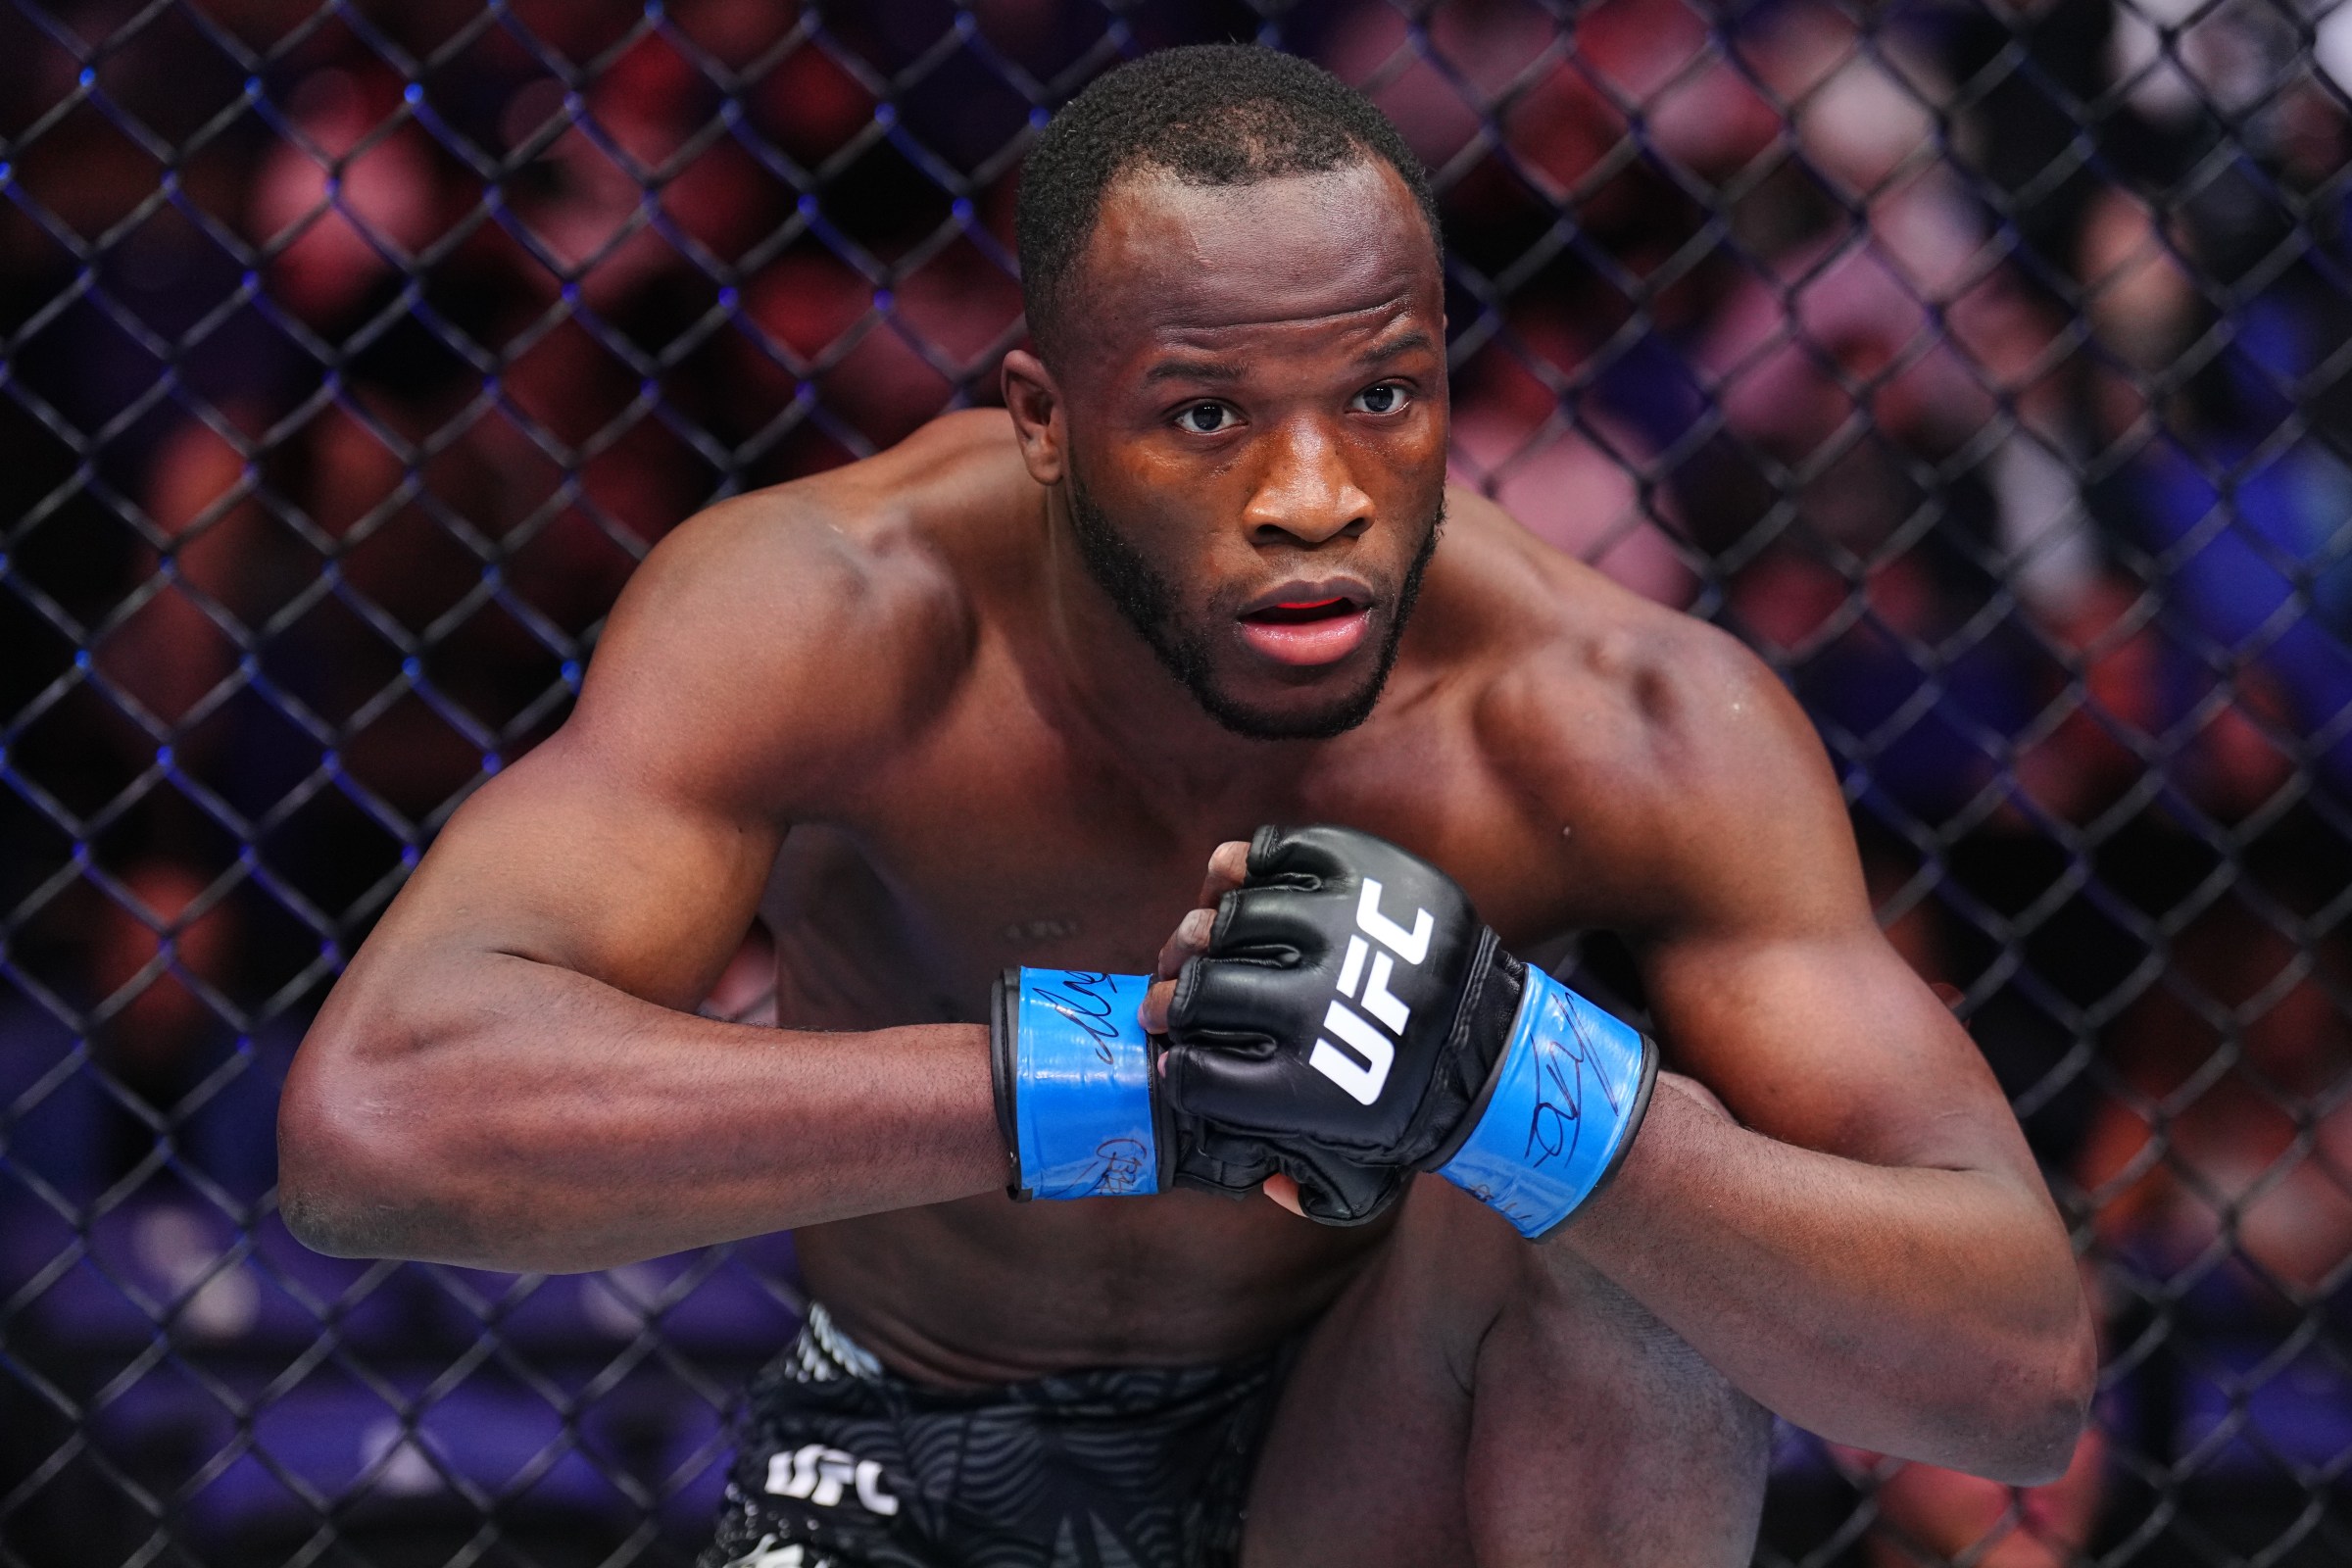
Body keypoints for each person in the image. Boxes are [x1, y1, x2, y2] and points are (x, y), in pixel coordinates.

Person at [278, 45, 2095, 1568]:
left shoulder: (1619, 720)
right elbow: (378, 1127)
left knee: (1613, 1234)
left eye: (1383, 395)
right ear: (1047, 420)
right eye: (1207, 416)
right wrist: (1117, 1072)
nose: (1317, 495)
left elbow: (2013, 1371)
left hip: (1358, 1471)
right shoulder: (834, 612)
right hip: (914, 1458)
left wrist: (1517, 1089)